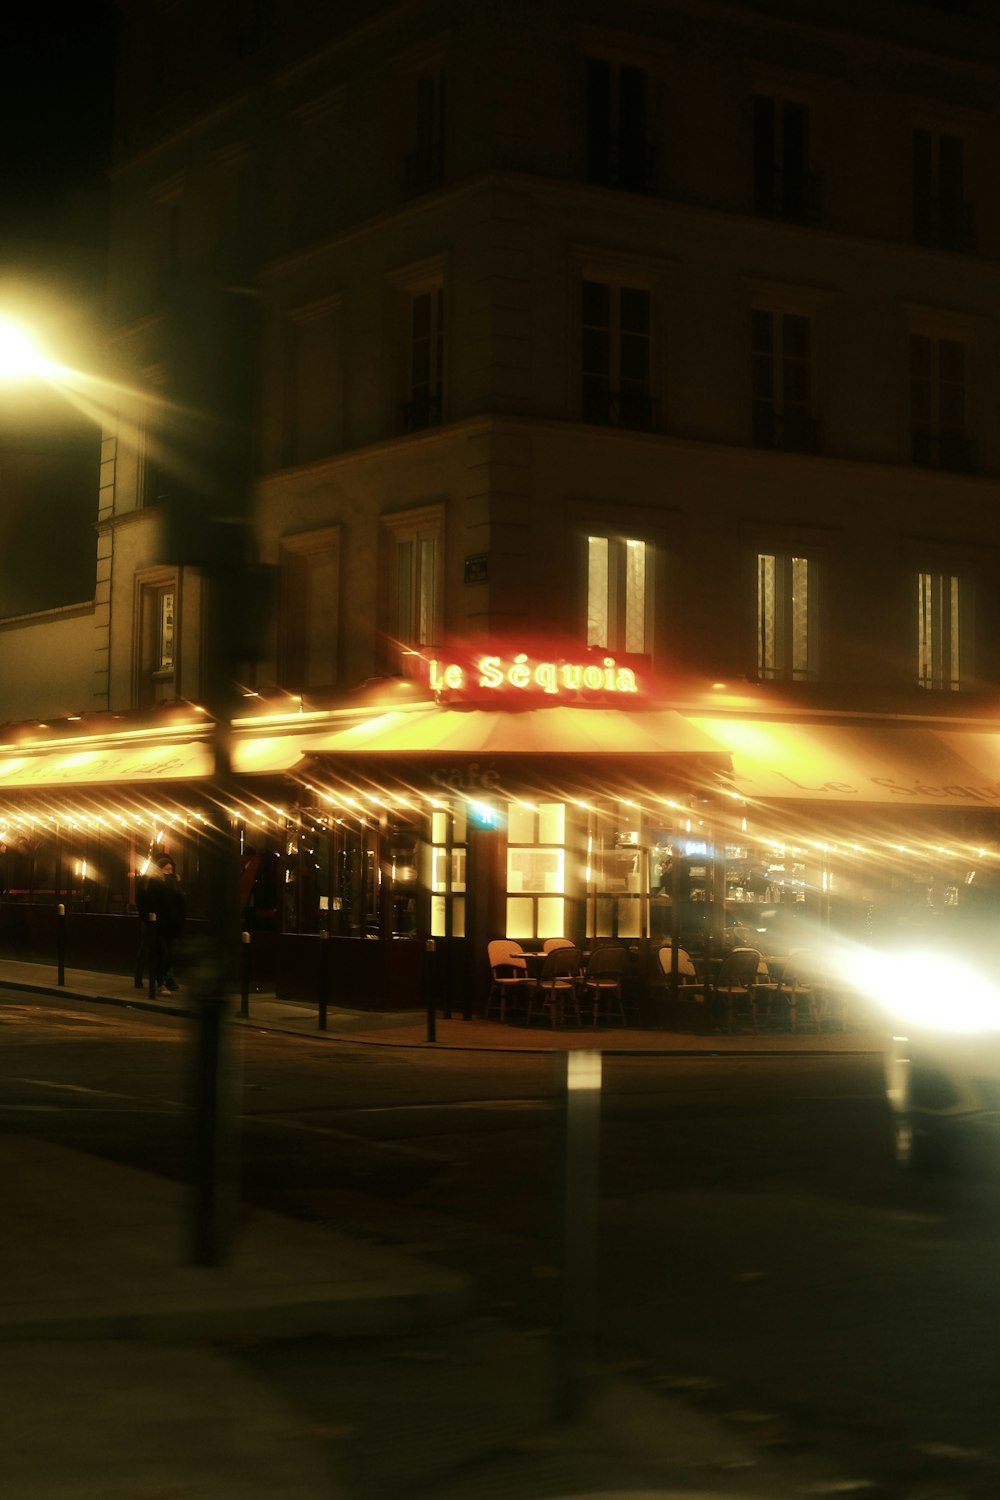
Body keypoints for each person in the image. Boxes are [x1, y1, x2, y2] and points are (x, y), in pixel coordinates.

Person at [145, 854, 186, 995]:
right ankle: (160, 983)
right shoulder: (154, 882)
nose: (169, 872)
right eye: (166, 870)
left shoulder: (175, 883)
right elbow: (152, 902)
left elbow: (180, 902)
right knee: (163, 953)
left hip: (172, 925)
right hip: (160, 925)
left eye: (171, 870)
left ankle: (163, 981)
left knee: (170, 955)